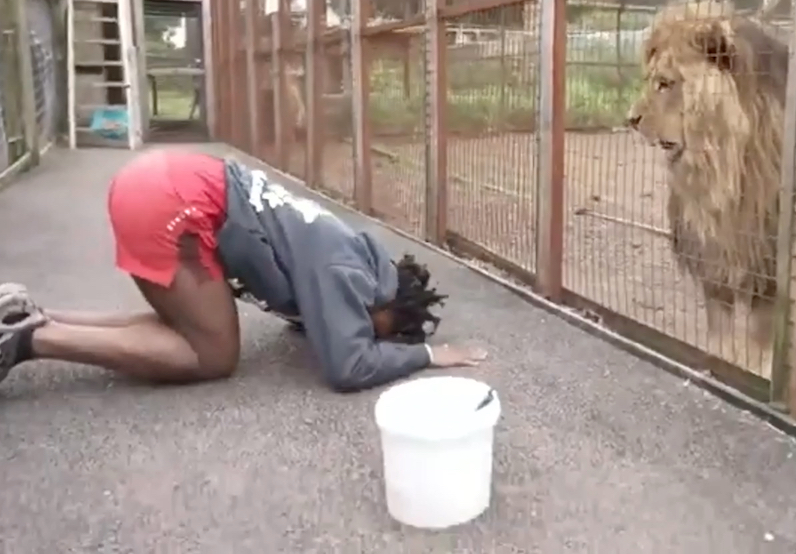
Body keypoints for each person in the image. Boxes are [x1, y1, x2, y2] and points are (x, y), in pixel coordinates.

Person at [0, 149, 487, 392]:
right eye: (384, 332)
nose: (369, 336)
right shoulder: (346, 272)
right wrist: (425, 355)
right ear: (389, 303)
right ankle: (28, 341)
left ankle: (29, 314)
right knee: (212, 355)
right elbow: (348, 366)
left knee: (185, 328)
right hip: (173, 203)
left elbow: (319, 317)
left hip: (169, 180)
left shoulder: (351, 252)